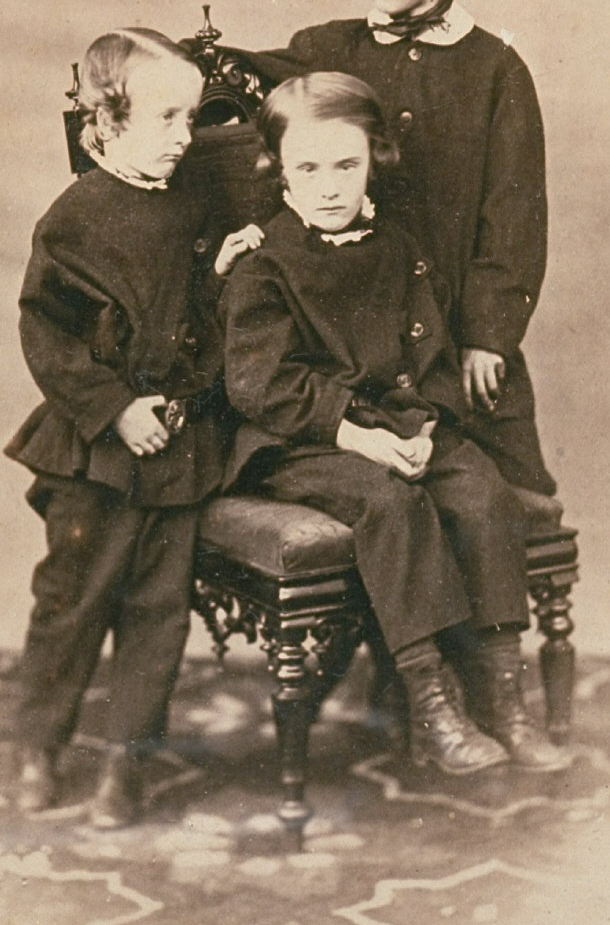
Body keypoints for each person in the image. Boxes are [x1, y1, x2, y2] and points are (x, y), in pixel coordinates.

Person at [221, 72, 571, 773]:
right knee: (390, 503)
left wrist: (425, 431)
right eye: (308, 169)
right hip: (307, 440)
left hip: (400, 419)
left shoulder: (397, 246)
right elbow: (262, 384)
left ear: (372, 162)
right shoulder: (264, 266)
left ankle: (503, 696)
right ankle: (431, 699)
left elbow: (430, 351)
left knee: (482, 492)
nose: (328, 187)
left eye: (346, 165)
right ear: (280, 177)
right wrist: (358, 437)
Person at [242, 0, 560, 524]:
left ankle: (484, 632)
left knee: (486, 500)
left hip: (452, 343)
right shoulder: (328, 50)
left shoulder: (495, 69)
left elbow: (513, 216)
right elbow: (250, 107)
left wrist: (489, 337)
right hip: (350, 346)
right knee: (390, 505)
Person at [5, 29, 262, 825]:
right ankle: (39, 747)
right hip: (98, 454)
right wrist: (115, 409)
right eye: (168, 120)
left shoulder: (189, 204)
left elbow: (190, 323)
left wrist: (216, 275)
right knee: (73, 603)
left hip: (178, 449)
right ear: (108, 122)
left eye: (190, 119)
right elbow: (46, 330)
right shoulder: (73, 220)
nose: (186, 137)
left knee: (158, 613)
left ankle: (127, 760)